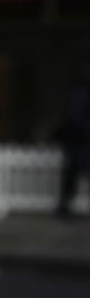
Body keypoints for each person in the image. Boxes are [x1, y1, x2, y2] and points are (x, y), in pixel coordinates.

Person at [56, 70, 90, 219]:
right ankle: (63, 207)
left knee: (71, 176)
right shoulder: (81, 95)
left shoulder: (79, 94)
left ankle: (64, 207)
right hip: (80, 143)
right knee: (72, 176)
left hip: (77, 143)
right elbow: (77, 119)